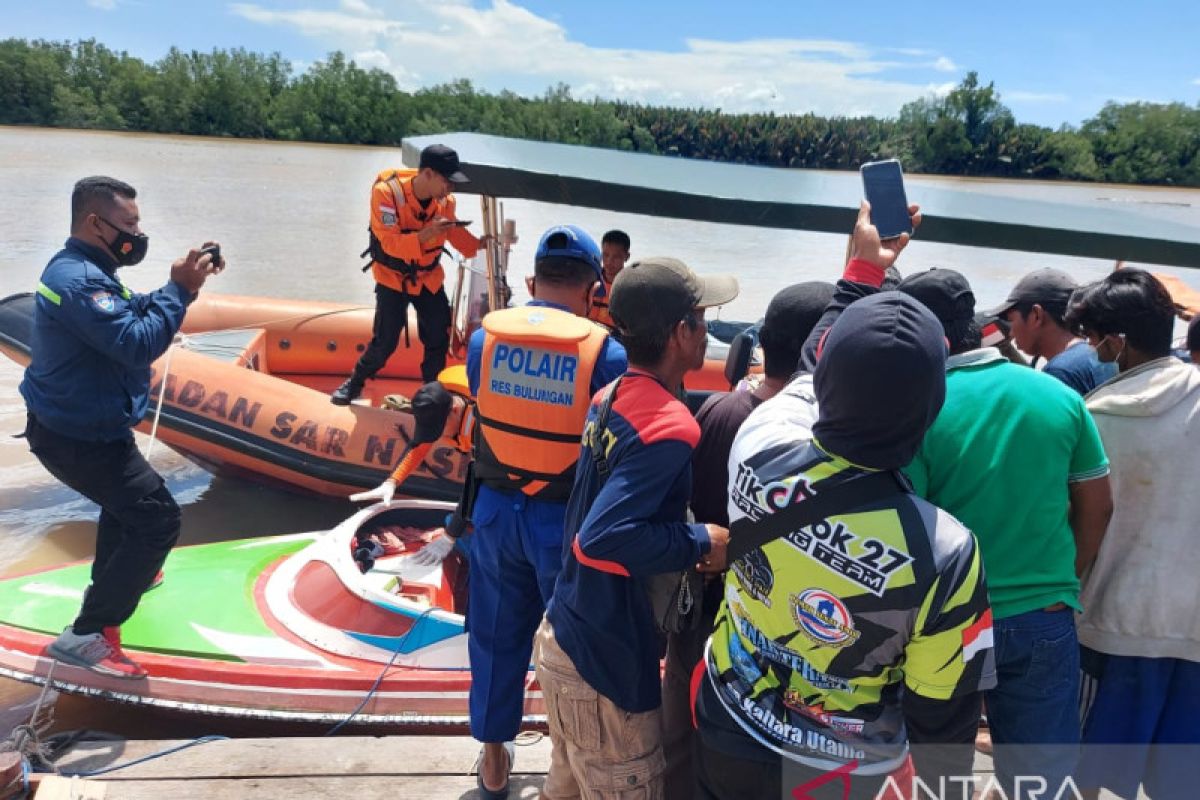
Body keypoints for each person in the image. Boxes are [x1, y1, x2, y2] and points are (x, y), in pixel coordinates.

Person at [695, 204, 995, 800]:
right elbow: (943, 714)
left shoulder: (762, 437)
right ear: (932, 408)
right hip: (841, 772)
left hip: (730, 718)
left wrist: (860, 268)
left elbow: (811, 366)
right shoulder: (944, 551)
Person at [386, 225, 627, 799]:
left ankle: (494, 760)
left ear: (532, 279)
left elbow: (488, 409)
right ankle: (568, 767)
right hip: (561, 522)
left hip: (495, 512)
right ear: (596, 285)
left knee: (494, 638)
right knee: (572, 646)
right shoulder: (605, 352)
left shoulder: (482, 343)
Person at [897, 267, 1113, 797]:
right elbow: (1097, 504)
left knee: (936, 774)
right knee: (1042, 780)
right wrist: (1065, 582)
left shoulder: (920, 408)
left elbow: (912, 523)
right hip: (1043, 616)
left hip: (948, 622)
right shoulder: (1057, 397)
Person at [535, 256, 737, 799]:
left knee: (566, 787)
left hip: (562, 633)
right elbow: (601, 537)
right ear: (680, 333)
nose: (706, 330)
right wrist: (700, 543)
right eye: (701, 318)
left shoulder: (609, 398)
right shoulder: (672, 427)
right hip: (606, 664)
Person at [20, 176, 223, 678]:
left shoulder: (88, 270)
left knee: (129, 510)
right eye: (129, 224)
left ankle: (118, 583)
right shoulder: (79, 281)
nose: (137, 232)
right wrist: (180, 290)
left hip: (90, 430)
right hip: (77, 438)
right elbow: (136, 343)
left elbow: (127, 313)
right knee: (159, 520)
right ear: (95, 223)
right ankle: (89, 635)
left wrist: (181, 287)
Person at [661, 280, 834, 800]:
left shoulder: (718, 411)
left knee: (680, 745)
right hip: (754, 637)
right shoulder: (805, 442)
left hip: (693, 614)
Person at [1064, 270, 1200, 800]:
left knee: (1081, 773)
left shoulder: (1094, 418)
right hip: (1192, 628)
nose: (1089, 348)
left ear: (1115, 341)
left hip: (1109, 624)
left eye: (1092, 336)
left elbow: (1082, 521)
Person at [331, 144, 487, 404]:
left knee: (438, 336)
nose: (451, 188)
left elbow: (456, 235)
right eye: (447, 181)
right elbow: (389, 243)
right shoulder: (386, 194)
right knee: (385, 342)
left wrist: (482, 244)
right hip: (392, 278)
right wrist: (427, 234)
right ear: (427, 173)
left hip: (428, 278)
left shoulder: (446, 202)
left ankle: (431, 395)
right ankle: (355, 382)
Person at [986, 267, 1116, 394]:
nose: (1011, 333)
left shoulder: (1060, 372)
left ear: (1036, 316)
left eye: (1012, 320)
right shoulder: (1100, 354)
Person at [587, 229, 630, 328]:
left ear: (627, 257)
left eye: (616, 257)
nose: (609, 261)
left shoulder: (627, 288)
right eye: (605, 255)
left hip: (613, 338)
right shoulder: (590, 279)